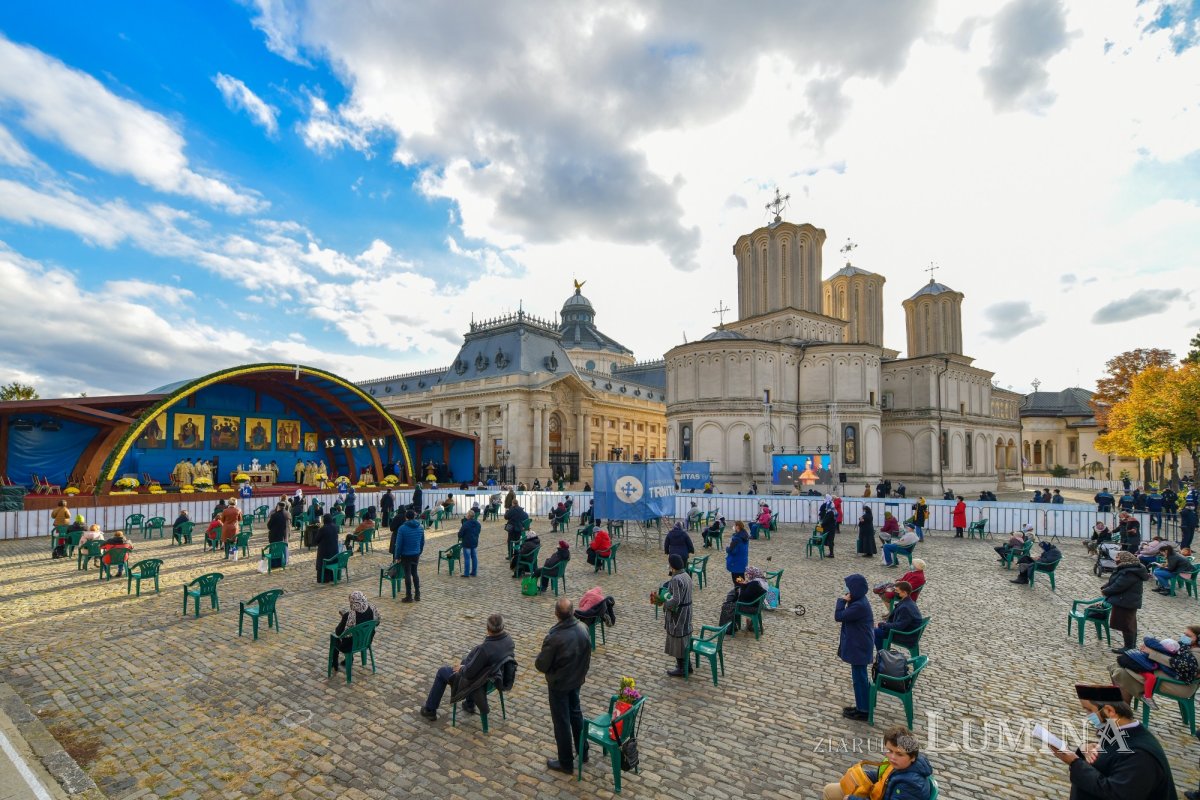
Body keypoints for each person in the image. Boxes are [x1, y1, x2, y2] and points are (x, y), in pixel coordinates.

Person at [1049, 684, 1176, 800]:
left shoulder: (1140, 755)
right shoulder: (1118, 731)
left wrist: (1075, 762)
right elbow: (1106, 761)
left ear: (1109, 711)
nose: (1087, 716)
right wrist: (1084, 749)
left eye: (1089, 710)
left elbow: (1116, 793)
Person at [420, 613, 515, 721]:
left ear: (488, 629)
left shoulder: (485, 649)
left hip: (479, 681)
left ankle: (430, 709)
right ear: (503, 627)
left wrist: (461, 668)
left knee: (442, 672)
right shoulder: (509, 641)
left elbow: (469, 673)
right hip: (494, 677)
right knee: (466, 660)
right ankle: (469, 704)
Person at [534, 598, 591, 774]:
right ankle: (583, 751)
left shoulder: (555, 638)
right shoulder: (583, 628)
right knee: (576, 713)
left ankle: (566, 763)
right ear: (572, 612)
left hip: (560, 684)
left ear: (556, 614)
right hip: (576, 680)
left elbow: (541, 664)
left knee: (562, 722)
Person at [822, 725, 934, 800]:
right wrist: (862, 776)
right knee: (830, 789)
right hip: (878, 794)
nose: (892, 757)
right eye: (890, 751)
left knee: (831, 793)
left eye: (899, 754)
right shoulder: (901, 765)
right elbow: (883, 776)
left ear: (912, 757)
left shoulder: (911, 785)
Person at [1111, 625, 1200, 710]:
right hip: (1168, 675)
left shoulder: (1197, 653)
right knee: (1120, 666)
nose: (1184, 637)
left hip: (1179, 685)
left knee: (1122, 673)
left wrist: (1152, 653)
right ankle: (1121, 708)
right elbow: (1169, 654)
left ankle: (1123, 710)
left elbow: (1178, 665)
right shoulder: (1186, 646)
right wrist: (1151, 649)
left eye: (1188, 636)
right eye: (1184, 634)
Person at [836, 574, 874, 721]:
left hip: (859, 646)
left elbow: (839, 616)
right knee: (859, 677)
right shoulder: (859, 601)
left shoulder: (859, 605)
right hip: (859, 643)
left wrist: (841, 601)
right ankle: (861, 706)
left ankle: (863, 710)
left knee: (860, 679)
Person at [652, 554, 693, 677]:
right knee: (684, 639)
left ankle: (682, 668)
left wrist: (664, 603)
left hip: (678, 615)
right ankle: (688, 666)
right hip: (687, 611)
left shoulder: (676, 579)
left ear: (672, 565)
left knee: (678, 640)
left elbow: (676, 600)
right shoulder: (686, 575)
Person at [1101, 550, 1150, 653]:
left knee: (1127, 625)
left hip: (1126, 601)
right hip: (1125, 600)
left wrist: (1105, 591)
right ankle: (1130, 646)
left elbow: (1119, 585)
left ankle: (1129, 647)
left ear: (1124, 559)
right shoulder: (1127, 569)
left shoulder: (1130, 572)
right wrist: (1105, 587)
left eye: (1118, 557)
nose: (1116, 559)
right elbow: (1115, 581)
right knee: (1128, 624)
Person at [330, 591, 379, 673]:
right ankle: (349, 660)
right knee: (352, 634)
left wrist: (344, 618)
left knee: (335, 638)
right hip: (366, 641)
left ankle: (334, 662)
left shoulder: (350, 615)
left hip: (350, 646)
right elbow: (377, 622)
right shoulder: (372, 609)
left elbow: (338, 632)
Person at [873, 581, 923, 650]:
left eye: (896, 591)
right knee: (876, 629)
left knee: (875, 632)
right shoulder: (909, 602)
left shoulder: (905, 608)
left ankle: (881, 654)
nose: (894, 592)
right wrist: (885, 624)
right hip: (906, 630)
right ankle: (882, 652)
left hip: (905, 636)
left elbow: (899, 626)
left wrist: (882, 625)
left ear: (904, 593)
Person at [393, 510, 425, 602]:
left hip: (406, 554)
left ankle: (409, 596)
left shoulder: (402, 528)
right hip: (416, 553)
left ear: (406, 517)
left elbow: (399, 544)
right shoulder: (420, 527)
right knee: (415, 573)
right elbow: (422, 541)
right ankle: (417, 594)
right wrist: (419, 551)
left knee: (407, 574)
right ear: (414, 516)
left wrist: (397, 556)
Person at [314, 514, 340, 583]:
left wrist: (319, 530)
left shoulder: (323, 529)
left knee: (322, 561)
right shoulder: (335, 527)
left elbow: (316, 540)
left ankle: (324, 578)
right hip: (334, 551)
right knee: (331, 561)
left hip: (324, 552)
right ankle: (332, 577)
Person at [457, 509, 481, 577]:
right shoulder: (478, 524)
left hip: (467, 543)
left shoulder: (465, 524)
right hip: (474, 542)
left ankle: (466, 573)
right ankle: (474, 572)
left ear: (468, 516)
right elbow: (478, 532)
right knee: (474, 557)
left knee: (467, 558)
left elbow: (460, 535)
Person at [266, 502, 289, 567]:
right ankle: (281, 562)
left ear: (278, 507)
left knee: (274, 549)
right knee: (281, 549)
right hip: (283, 535)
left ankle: (274, 564)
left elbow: (269, 526)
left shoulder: (274, 515)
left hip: (274, 535)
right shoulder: (287, 514)